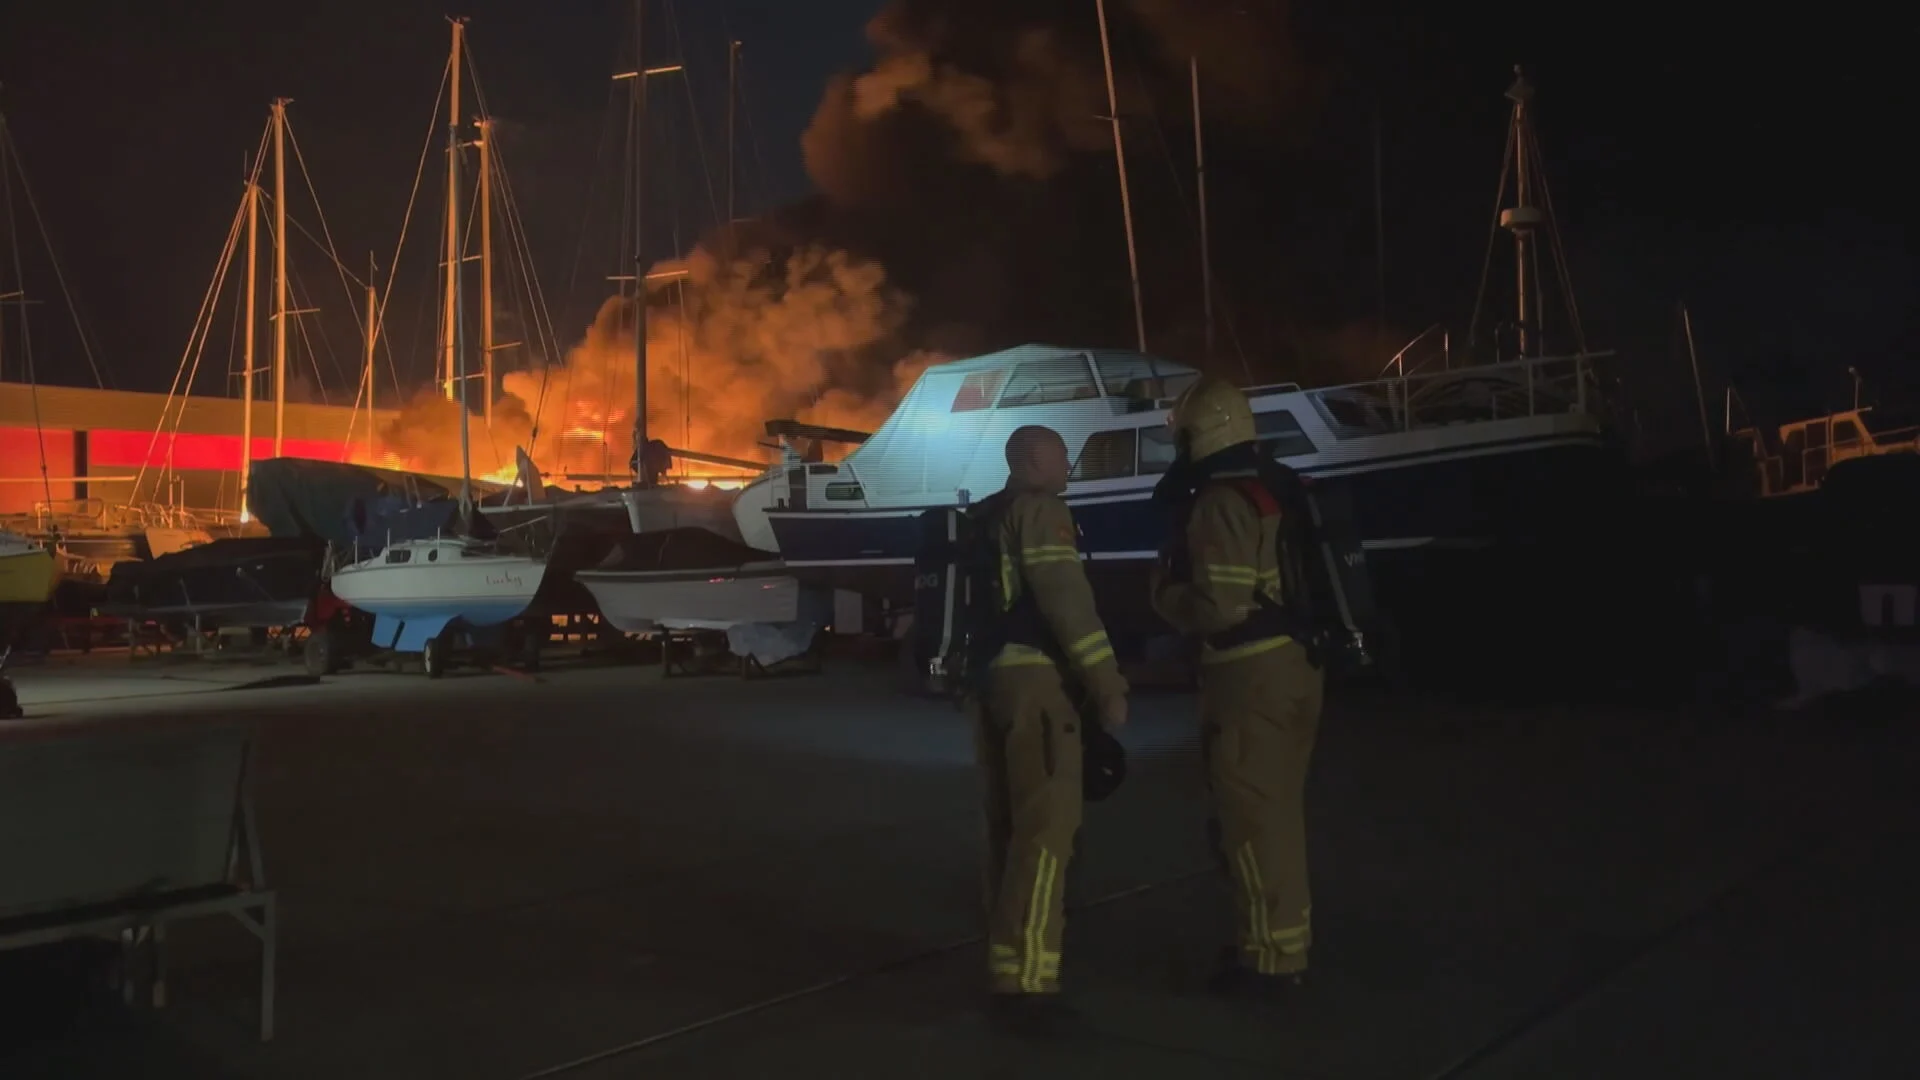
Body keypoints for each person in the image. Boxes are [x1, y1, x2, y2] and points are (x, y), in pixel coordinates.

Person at [1151, 376, 1324, 997]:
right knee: (1275, 816)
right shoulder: (1281, 485)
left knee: (1252, 821)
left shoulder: (1223, 499)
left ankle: (1273, 963)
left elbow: (1221, 604)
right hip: (1297, 666)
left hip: (1249, 673)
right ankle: (1275, 938)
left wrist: (1164, 596)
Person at [967, 424, 1128, 1031]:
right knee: (1045, 833)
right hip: (1037, 688)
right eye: (1063, 455)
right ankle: (1030, 983)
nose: (1070, 465)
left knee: (1006, 829)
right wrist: (1107, 684)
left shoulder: (986, 516)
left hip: (989, 687)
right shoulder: (1041, 514)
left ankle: (1009, 964)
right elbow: (1067, 602)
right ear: (1034, 461)